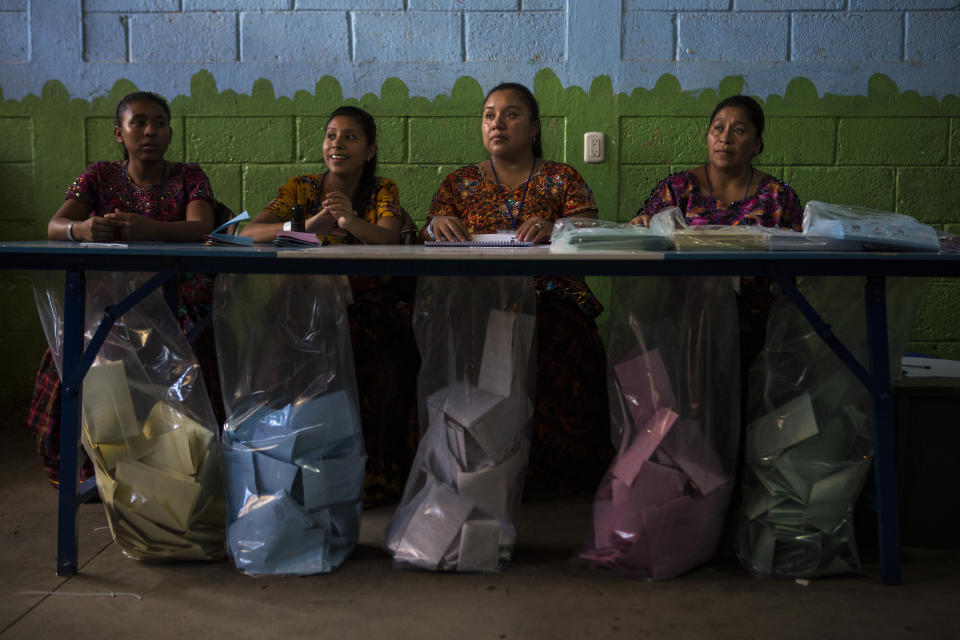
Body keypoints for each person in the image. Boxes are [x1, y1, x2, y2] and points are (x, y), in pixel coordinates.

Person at [425, 82, 613, 494]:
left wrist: (557, 227)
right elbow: (433, 227)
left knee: (560, 335)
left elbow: (589, 229)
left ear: (534, 128)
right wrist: (436, 224)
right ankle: (477, 466)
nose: (498, 123)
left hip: (551, 296)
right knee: (460, 334)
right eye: (490, 115)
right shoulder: (458, 184)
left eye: (511, 115)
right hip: (478, 298)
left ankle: (556, 476)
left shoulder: (562, 178)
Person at [30, 90, 221, 486]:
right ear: (120, 133)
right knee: (77, 346)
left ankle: (178, 464)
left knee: (183, 346)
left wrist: (153, 230)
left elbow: (201, 227)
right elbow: (55, 225)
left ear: (170, 134)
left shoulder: (189, 177)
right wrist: (80, 229)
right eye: (139, 123)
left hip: (177, 303)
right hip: (111, 306)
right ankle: (96, 469)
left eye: (159, 124)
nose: (150, 131)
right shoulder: (99, 176)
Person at [242, 106, 420, 507]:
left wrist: (349, 222)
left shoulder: (381, 189)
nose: (337, 144)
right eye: (331, 135)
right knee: (279, 333)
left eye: (350, 137)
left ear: (371, 149)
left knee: (378, 338)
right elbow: (249, 232)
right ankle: (290, 463)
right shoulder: (302, 189)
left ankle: (375, 474)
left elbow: (389, 241)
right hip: (305, 297)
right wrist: (311, 225)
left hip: (368, 299)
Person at [630, 94, 804, 386]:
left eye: (739, 130)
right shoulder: (677, 189)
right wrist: (640, 226)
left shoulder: (777, 196)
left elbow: (799, 253)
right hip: (684, 319)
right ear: (708, 138)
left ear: (757, 144)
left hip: (757, 325)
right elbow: (642, 233)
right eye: (718, 128)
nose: (725, 138)